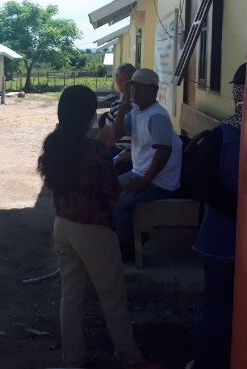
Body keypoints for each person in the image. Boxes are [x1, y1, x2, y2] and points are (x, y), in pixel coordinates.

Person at [38, 85, 160, 369]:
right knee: (112, 296)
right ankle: (131, 358)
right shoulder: (92, 151)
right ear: (89, 116)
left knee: (71, 295)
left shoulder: (54, 143)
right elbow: (111, 193)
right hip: (93, 230)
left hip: (63, 225)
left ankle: (73, 357)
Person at [185, 64, 246, 369]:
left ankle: (208, 362)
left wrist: (237, 212)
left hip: (220, 241)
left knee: (215, 305)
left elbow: (203, 187)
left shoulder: (222, 136)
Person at [111, 68, 183, 258]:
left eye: (140, 88)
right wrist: (122, 111)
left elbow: (164, 150)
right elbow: (116, 135)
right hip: (141, 173)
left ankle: (128, 249)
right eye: (133, 87)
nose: (135, 92)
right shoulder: (136, 111)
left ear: (153, 90)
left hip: (159, 182)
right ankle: (129, 238)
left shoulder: (156, 115)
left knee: (117, 200)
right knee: (107, 189)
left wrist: (144, 182)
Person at [97, 63, 136, 175]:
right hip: (118, 150)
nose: (125, 85)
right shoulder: (116, 104)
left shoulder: (139, 105)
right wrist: (91, 148)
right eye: (121, 80)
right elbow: (106, 131)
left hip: (134, 153)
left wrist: (133, 154)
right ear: (116, 82)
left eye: (129, 81)